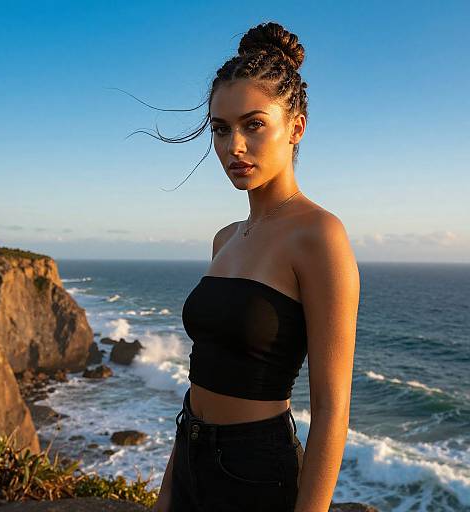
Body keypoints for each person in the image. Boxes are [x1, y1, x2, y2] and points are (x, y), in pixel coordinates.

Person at [147, 20, 360, 512]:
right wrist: (167, 492)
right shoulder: (225, 238)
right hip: (190, 452)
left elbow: (331, 411)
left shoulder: (320, 236)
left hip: (256, 472)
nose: (233, 146)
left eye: (253, 124)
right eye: (221, 129)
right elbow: (204, 374)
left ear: (297, 127)